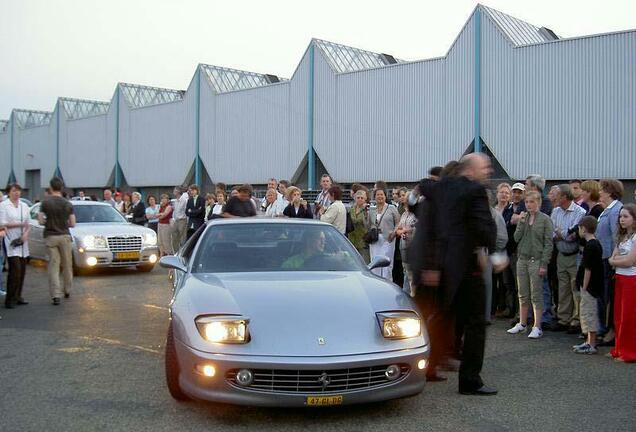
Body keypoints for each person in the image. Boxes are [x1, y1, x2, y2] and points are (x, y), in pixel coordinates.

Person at [420, 154, 500, 395]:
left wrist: (430, 265)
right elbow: (483, 228)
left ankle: (428, 367)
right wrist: (493, 252)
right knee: (476, 323)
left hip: (441, 267)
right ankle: (470, 380)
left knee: (442, 318)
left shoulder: (438, 187)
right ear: (471, 170)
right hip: (467, 267)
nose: (488, 171)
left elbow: (429, 224)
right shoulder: (475, 191)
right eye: (485, 167)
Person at [507, 192, 553, 339]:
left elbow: (548, 243)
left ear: (538, 202)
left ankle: (537, 326)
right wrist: (520, 223)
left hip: (537, 260)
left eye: (532, 202)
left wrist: (544, 264)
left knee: (536, 294)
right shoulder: (524, 218)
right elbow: (516, 238)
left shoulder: (545, 220)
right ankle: (522, 323)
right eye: (527, 202)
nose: (529, 205)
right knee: (522, 293)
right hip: (522, 259)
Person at [551, 184, 586, 333]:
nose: (554, 198)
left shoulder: (580, 212)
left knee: (575, 289)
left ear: (564, 197)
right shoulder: (555, 211)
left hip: (574, 256)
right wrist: (561, 233)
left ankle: (576, 320)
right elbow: (552, 233)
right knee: (563, 288)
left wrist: (561, 233)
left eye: (557, 195)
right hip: (561, 255)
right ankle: (563, 319)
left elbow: (572, 236)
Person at [38, 177, 76, 305]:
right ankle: (67, 289)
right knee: (67, 265)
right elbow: (73, 223)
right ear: (61, 188)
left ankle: (55, 295)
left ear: (51, 187)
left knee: (54, 266)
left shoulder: (45, 203)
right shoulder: (67, 204)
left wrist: (48, 222)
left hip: (50, 236)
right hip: (64, 236)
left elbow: (40, 220)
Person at [596, 179, 624, 345]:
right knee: (603, 295)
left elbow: (616, 237)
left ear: (609, 191)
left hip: (609, 260)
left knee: (609, 297)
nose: (599, 192)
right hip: (603, 258)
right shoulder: (607, 209)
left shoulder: (615, 210)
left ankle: (610, 331)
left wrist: (615, 260)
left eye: (602, 189)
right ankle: (604, 328)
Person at [572, 216, 604, 354]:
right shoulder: (592, 244)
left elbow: (588, 269)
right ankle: (588, 341)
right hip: (590, 286)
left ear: (583, 229)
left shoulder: (591, 246)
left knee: (590, 314)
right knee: (586, 313)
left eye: (579, 228)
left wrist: (584, 287)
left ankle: (592, 344)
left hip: (590, 287)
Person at [608, 204, 636, 362]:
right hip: (620, 278)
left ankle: (630, 352)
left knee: (629, 317)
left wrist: (617, 260)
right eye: (621, 216)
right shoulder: (622, 237)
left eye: (626, 216)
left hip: (632, 280)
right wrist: (618, 260)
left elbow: (630, 261)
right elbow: (613, 259)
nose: (622, 220)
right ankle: (619, 348)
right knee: (618, 316)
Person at [0, 184, 31, 309]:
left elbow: (28, 223)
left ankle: (18, 296)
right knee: (15, 271)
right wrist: (18, 224)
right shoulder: (3, 206)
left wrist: (25, 235)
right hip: (10, 241)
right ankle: (10, 298)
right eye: (14, 191)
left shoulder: (24, 206)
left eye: (18, 191)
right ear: (9, 192)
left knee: (22, 270)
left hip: (23, 242)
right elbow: (2, 224)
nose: (16, 193)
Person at [368, 188, 400, 281]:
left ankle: (387, 282)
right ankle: (376, 282)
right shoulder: (372, 209)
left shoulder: (391, 208)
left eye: (381, 194)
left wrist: (394, 233)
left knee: (387, 263)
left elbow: (398, 222)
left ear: (385, 196)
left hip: (388, 238)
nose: (380, 196)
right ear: (375, 197)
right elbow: (369, 224)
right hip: (375, 239)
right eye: (378, 195)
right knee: (375, 262)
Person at [394, 194, 417, 296]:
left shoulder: (416, 215)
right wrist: (400, 231)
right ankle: (405, 293)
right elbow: (398, 228)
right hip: (403, 245)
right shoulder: (403, 214)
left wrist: (405, 230)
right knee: (405, 271)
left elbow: (416, 227)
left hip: (413, 246)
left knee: (411, 272)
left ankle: (413, 295)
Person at [348, 189, 371, 263]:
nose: (360, 199)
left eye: (362, 198)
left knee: (364, 262)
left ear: (365, 199)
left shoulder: (368, 209)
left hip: (363, 239)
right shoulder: (351, 209)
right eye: (358, 197)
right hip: (352, 238)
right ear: (355, 198)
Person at [171, 186, 188, 251]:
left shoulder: (184, 200)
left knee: (182, 238)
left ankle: (183, 252)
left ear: (178, 192)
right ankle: (176, 252)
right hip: (176, 220)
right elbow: (175, 211)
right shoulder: (175, 201)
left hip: (182, 220)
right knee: (174, 237)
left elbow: (185, 210)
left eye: (174, 191)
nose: (173, 192)